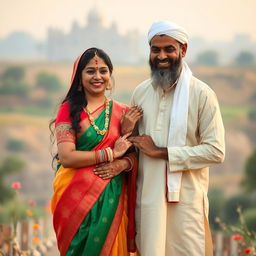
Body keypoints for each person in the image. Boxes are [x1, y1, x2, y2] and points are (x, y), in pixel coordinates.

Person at [126, 21, 225, 256]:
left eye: (169, 49)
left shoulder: (202, 94)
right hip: (148, 201)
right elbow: (134, 147)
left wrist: (161, 152)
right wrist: (127, 131)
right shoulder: (140, 92)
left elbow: (216, 151)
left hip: (186, 203)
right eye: (155, 49)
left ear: (183, 50)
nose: (162, 56)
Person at [50, 47, 141, 256]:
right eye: (90, 71)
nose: (97, 76)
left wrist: (122, 163)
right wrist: (111, 154)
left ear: (110, 76)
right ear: (79, 77)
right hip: (73, 196)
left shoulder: (124, 113)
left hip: (113, 197)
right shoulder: (68, 109)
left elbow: (136, 155)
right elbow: (67, 157)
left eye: (103, 71)